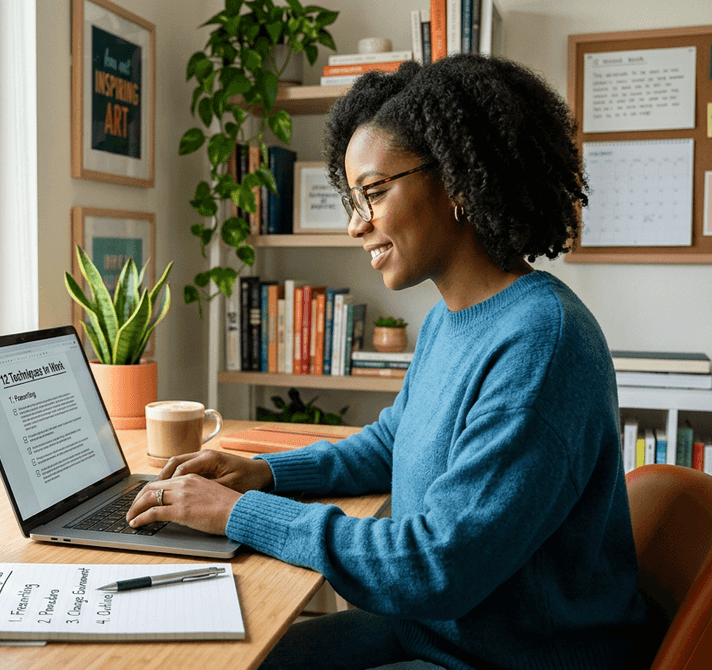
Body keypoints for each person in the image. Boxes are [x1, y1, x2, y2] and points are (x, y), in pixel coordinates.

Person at [126, 54, 646, 670]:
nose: (354, 225)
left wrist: (241, 514)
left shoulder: (540, 343)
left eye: (373, 193)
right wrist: (264, 473)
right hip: (436, 634)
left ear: (456, 178)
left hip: (504, 659)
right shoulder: (452, 322)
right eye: (353, 198)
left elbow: (434, 565)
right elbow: (390, 444)